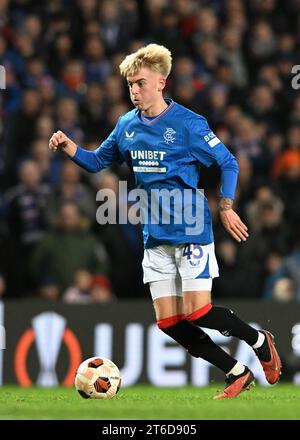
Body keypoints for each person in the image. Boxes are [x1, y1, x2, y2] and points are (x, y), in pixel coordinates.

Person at [49, 44, 282, 399]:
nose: (134, 91)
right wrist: (68, 146)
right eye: (130, 85)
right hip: (154, 235)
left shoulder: (188, 124)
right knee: (169, 322)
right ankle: (236, 372)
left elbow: (228, 162)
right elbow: (97, 162)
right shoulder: (126, 125)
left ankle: (258, 340)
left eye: (140, 83)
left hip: (191, 229)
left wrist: (227, 205)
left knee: (198, 312)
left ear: (161, 82)